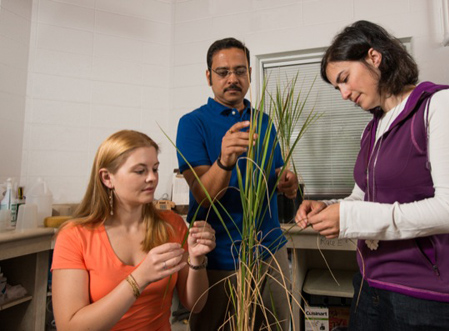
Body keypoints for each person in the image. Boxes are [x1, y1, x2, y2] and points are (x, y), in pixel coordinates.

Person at [296, 21, 449, 330]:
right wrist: (329, 207)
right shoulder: (372, 129)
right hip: (371, 288)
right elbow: (363, 197)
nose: (343, 94)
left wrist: (352, 217)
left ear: (374, 57)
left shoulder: (441, 105)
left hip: (429, 298)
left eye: (344, 79)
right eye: (336, 87)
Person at [176, 37, 298, 331]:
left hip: (270, 252)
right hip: (218, 257)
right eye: (223, 72)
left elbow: (278, 176)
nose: (233, 78)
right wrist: (225, 160)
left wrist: (288, 184)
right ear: (209, 77)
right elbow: (203, 197)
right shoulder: (192, 123)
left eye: (240, 71)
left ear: (250, 74)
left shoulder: (265, 122)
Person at [51, 130, 216, 331]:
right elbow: (69, 328)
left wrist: (197, 260)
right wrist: (140, 278)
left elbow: (195, 304)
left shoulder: (171, 225)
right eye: (140, 171)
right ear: (107, 178)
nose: (152, 178)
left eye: (155, 169)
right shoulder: (74, 236)